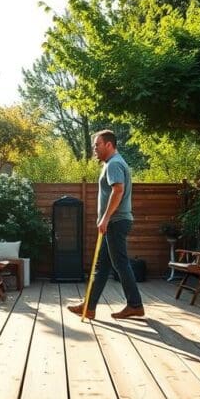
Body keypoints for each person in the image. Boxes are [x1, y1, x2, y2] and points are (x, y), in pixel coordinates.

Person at [68, 130, 144, 320]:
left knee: (120, 263)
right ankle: (90, 307)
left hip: (116, 222)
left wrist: (105, 218)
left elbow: (118, 191)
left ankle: (135, 304)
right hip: (114, 221)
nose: (94, 149)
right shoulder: (112, 163)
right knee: (102, 266)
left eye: (97, 145)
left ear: (108, 145)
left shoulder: (114, 164)